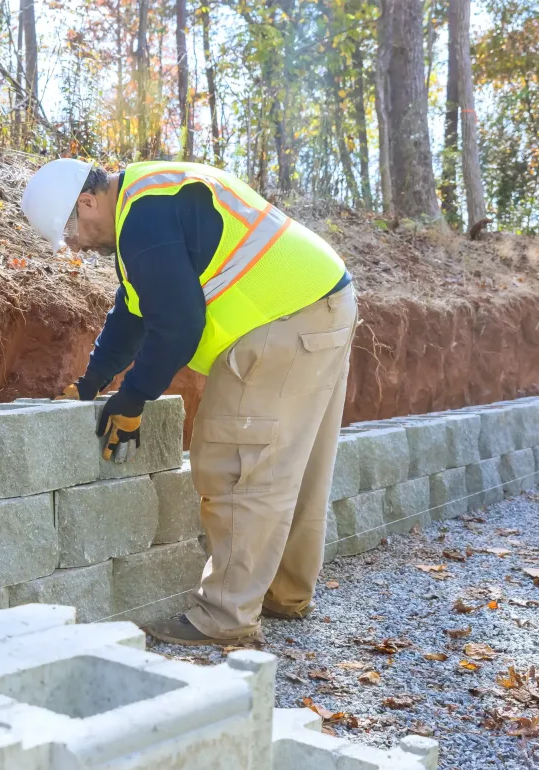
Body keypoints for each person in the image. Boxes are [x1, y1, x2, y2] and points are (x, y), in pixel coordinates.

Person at [20, 159, 357, 645]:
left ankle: (225, 617)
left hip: (286, 320)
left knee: (236, 465)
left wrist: (134, 399)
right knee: (292, 466)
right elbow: (135, 310)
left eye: (72, 229)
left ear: (88, 202)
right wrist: (92, 382)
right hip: (319, 302)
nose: (76, 243)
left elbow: (177, 323)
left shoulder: (143, 220)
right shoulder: (147, 200)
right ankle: (284, 594)